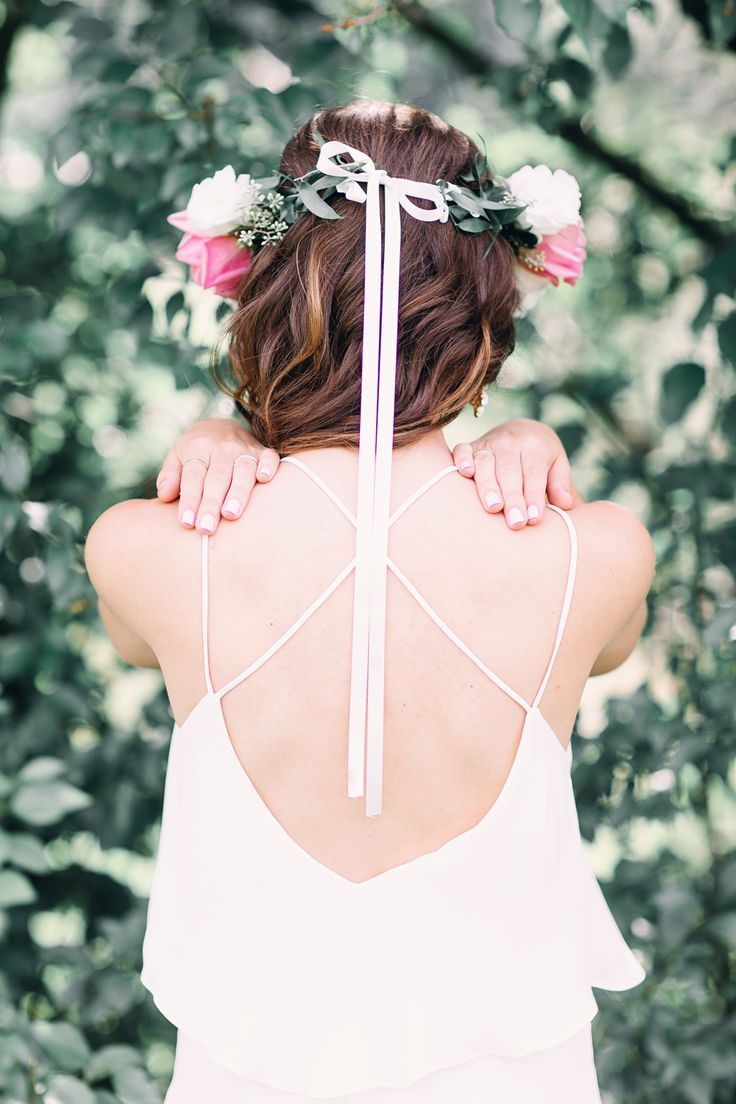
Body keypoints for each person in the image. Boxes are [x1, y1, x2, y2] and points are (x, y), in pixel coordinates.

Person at [85, 101, 655, 1104]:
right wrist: (531, 446)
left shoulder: (143, 552)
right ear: (488, 306)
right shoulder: (596, 556)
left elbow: (135, 645)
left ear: (259, 287)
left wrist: (223, 436)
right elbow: (610, 647)